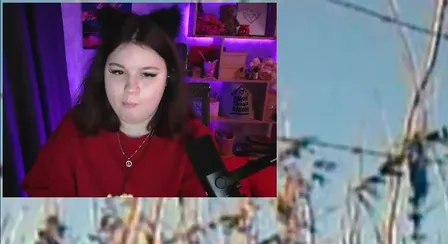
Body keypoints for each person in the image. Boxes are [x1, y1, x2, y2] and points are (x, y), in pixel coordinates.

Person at [22, 6, 274, 198]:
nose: (131, 89)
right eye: (118, 72)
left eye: (148, 74)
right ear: (102, 74)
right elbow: (44, 200)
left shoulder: (193, 138)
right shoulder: (75, 127)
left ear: (168, 78)